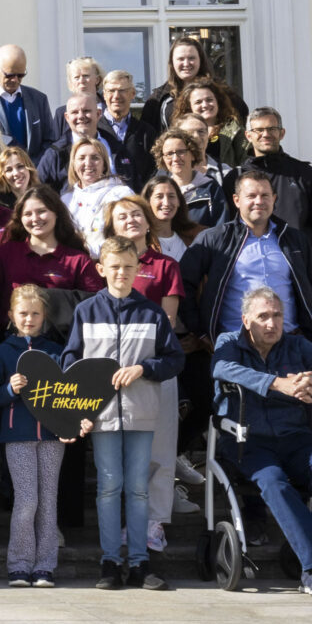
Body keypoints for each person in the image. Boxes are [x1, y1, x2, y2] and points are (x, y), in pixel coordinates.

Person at [212, 287, 312, 598]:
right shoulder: (229, 343)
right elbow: (223, 368)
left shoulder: (297, 345)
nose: (271, 323)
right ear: (246, 320)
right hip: (249, 441)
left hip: (296, 438)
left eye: (277, 315)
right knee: (274, 481)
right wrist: (277, 384)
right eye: (263, 316)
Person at [64, 235, 185, 591]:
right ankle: (109, 562)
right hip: (101, 416)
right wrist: (79, 405)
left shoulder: (151, 312)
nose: (121, 273)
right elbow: (71, 359)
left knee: (137, 489)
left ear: (138, 270)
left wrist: (144, 368)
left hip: (141, 413)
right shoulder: (86, 311)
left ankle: (139, 562)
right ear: (101, 269)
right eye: (114, 267)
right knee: (107, 487)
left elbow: (174, 359)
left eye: (129, 267)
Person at [106, 193, 192, 556]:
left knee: (158, 448)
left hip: (155, 368)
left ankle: (153, 523)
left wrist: (144, 361)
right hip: (113, 370)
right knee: (118, 452)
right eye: (122, 216)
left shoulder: (165, 265)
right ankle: (119, 522)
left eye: (137, 214)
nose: (130, 220)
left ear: (148, 221)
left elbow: (168, 323)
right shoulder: (106, 263)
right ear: (111, 225)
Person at [181, 167, 312, 344]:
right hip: (236, 344)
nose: (259, 201)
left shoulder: (294, 240)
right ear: (237, 200)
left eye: (265, 195)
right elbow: (183, 282)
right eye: (251, 196)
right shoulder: (215, 239)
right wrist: (200, 331)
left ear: (274, 199)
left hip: (289, 341)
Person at [0, 285, 65, 587]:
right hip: (17, 436)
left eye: (35, 313)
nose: (29, 319)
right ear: (10, 316)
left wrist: (68, 425)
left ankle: (44, 566)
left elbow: (68, 396)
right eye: (23, 313)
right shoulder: (1, 353)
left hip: (53, 437)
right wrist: (9, 389)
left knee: (48, 501)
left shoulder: (58, 352)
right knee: (27, 500)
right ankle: (19, 565)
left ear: (45, 316)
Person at [0, 186, 104, 334]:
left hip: (61, 345)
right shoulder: (7, 252)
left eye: (42, 211)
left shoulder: (78, 261)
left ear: (56, 214)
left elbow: (96, 306)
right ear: (20, 219)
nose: (35, 219)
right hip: (13, 344)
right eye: (28, 214)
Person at [241, 107, 312, 269]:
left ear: (282, 133)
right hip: (253, 268)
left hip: (300, 267)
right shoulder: (237, 177)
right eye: (259, 129)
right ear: (248, 135)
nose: (265, 134)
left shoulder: (303, 174)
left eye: (272, 129)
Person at [141, 35, 244, 136]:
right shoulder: (160, 98)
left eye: (191, 58)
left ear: (201, 60)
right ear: (172, 63)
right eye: (180, 59)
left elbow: (241, 116)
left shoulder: (220, 90)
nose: (186, 63)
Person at [62, 138, 135, 256]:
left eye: (95, 158)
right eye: (81, 158)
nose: (88, 163)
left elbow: (127, 235)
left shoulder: (121, 194)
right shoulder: (65, 200)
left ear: (105, 165)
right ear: (73, 164)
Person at [152, 127, 230, 230]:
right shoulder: (157, 190)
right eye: (169, 154)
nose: (175, 158)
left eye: (181, 152)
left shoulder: (210, 187)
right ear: (163, 159)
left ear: (192, 154)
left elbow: (222, 228)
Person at [0, 44, 56, 157]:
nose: (15, 80)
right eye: (9, 75)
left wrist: (34, 167)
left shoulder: (39, 99)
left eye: (20, 75)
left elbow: (49, 141)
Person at [174, 77, 248, 168]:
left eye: (209, 100)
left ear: (218, 101)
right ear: (189, 107)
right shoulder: (180, 132)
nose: (205, 105)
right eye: (198, 102)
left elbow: (247, 162)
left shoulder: (234, 129)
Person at [98, 70, 154, 180]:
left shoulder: (146, 132)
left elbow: (153, 171)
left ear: (132, 94)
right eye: (111, 91)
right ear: (104, 95)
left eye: (122, 90)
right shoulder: (95, 130)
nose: (116, 96)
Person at [142, 174, 203, 260]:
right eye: (159, 197)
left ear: (178, 201)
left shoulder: (196, 236)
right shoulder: (142, 241)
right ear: (148, 202)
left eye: (171, 196)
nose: (166, 203)